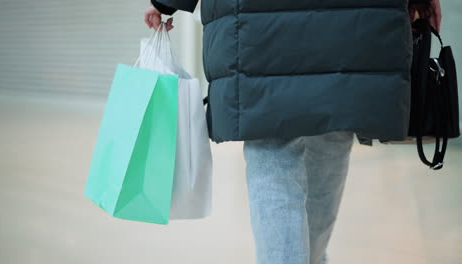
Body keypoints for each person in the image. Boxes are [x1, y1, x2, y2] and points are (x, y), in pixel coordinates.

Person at [144, 0, 442, 263]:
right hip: (350, 23)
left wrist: (166, 3)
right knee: (333, 133)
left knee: (271, 153)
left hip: (256, 27)